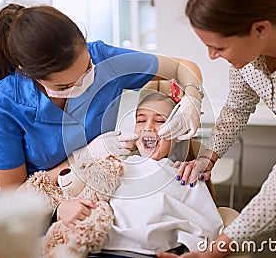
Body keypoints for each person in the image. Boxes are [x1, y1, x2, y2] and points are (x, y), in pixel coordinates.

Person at [0, 3, 205, 229]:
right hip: (40, 215)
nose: (82, 85)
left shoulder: (104, 59)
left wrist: (193, 98)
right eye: (65, 85)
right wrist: (81, 161)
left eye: (87, 69)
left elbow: (182, 67)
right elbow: (14, 196)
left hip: (101, 196)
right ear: (27, 71)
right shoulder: (3, 103)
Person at [158, 0, 276, 257]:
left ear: (260, 30)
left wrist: (215, 250)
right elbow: (237, 107)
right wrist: (206, 159)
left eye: (219, 47)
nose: (211, 56)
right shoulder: (251, 46)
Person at [92, 91, 222, 257]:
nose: (148, 127)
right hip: (102, 248)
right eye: (140, 120)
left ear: (178, 133)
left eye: (160, 121)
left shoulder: (185, 174)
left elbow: (207, 227)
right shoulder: (117, 167)